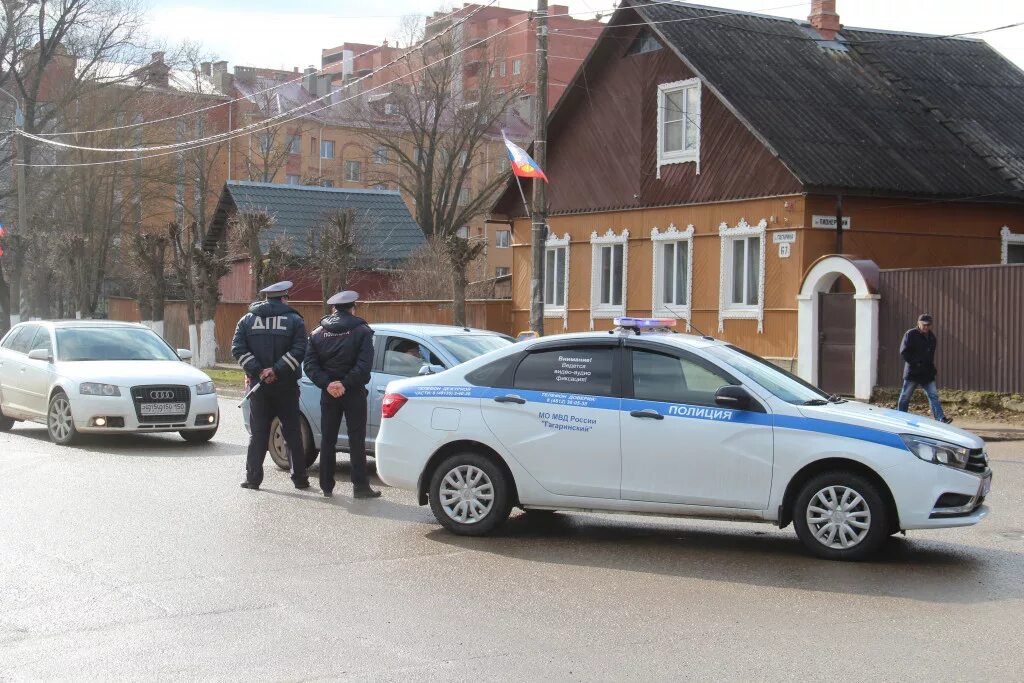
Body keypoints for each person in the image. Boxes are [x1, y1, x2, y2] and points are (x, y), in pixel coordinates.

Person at [232, 281, 310, 490]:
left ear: (266, 298)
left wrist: (259, 371)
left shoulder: (247, 320)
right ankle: (300, 479)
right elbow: (300, 349)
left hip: (259, 387)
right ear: (284, 298)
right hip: (286, 386)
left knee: (258, 434)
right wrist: (276, 370)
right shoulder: (294, 320)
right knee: (292, 432)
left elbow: (238, 349)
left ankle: (252, 478)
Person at [303, 290, 381, 499]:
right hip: (353, 391)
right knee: (357, 439)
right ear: (352, 308)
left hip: (329, 394)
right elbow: (364, 366)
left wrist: (328, 384)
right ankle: (360, 487)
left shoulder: (317, 333)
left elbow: (309, 365)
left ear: (333, 309)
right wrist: (345, 384)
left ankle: (326, 485)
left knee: (328, 439)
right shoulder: (362, 331)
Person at [897, 313, 952, 424]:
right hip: (913, 372)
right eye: (924, 324)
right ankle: (900, 417)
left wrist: (932, 369)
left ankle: (940, 418)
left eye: (928, 325)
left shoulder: (932, 338)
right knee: (905, 396)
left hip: (927, 373)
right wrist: (916, 363)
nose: (926, 327)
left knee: (933, 395)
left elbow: (930, 356)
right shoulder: (910, 334)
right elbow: (904, 352)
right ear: (918, 323)